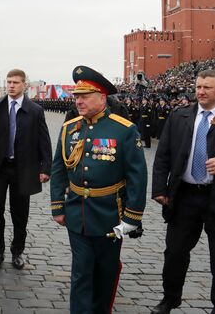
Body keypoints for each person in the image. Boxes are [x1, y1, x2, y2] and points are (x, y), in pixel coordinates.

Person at [50, 65, 147, 313]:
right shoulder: (68, 129)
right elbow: (59, 169)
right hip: (77, 213)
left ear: (102, 98)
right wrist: (57, 206)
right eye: (77, 97)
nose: (79, 102)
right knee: (81, 272)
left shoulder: (124, 129)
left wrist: (132, 217)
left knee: (106, 272)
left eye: (85, 96)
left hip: (109, 216)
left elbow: (137, 176)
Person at [151, 69, 215, 314]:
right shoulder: (180, 116)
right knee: (174, 252)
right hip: (184, 195)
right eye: (198, 87)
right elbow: (162, 155)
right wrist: (160, 188)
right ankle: (170, 298)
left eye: (207, 87)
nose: (201, 92)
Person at [0, 68, 52, 270]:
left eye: (16, 82)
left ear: (24, 85)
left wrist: (45, 167)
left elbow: (44, 140)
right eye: (9, 82)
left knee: (20, 212)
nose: (11, 85)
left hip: (23, 168)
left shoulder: (35, 110)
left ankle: (17, 251)